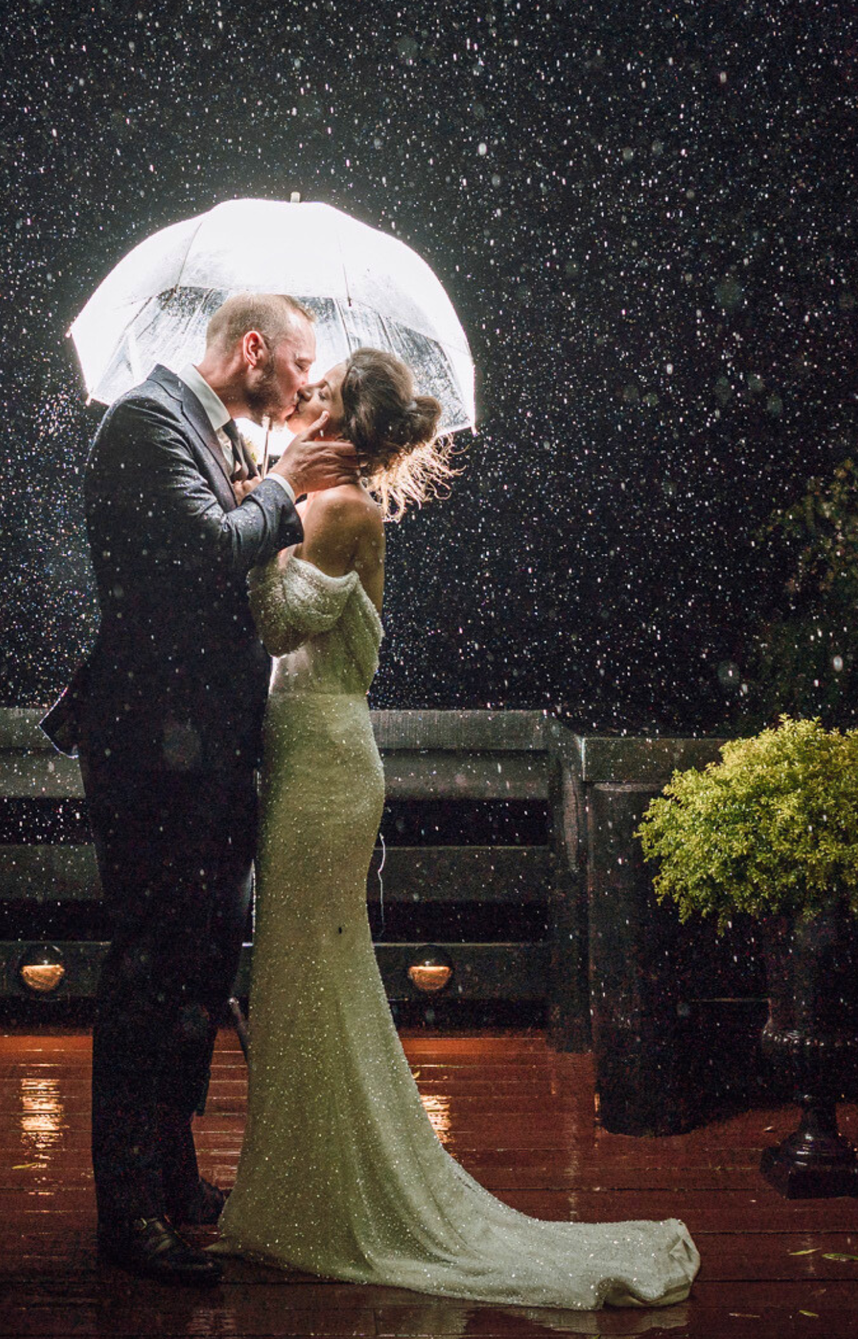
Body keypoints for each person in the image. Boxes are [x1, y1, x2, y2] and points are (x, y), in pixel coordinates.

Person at [210, 348, 700, 1309]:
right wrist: (262, 504)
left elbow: (273, 626)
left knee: (311, 971)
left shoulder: (345, 510)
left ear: (344, 426)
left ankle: (326, 1202)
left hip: (325, 765)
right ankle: (300, 1191)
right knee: (301, 974)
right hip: (303, 758)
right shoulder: (320, 502)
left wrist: (256, 508)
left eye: (313, 395)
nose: (297, 402)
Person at [43, 292, 359, 1287]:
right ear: (253, 349)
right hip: (150, 749)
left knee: (195, 962)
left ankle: (176, 1181)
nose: (310, 382)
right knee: (146, 963)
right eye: (301, 362)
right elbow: (196, 555)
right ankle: (125, 1210)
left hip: (206, 749)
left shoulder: (208, 433)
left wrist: (268, 481)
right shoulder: (143, 423)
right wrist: (285, 490)